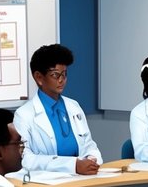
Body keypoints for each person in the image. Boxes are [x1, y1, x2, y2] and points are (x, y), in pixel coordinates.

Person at [13, 44, 102, 175]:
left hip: (81, 177)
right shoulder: (24, 115)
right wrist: (72, 166)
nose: (62, 80)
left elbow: (89, 145)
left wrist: (91, 159)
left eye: (64, 74)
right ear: (39, 77)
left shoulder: (73, 106)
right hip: (48, 181)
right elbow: (25, 158)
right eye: (55, 75)